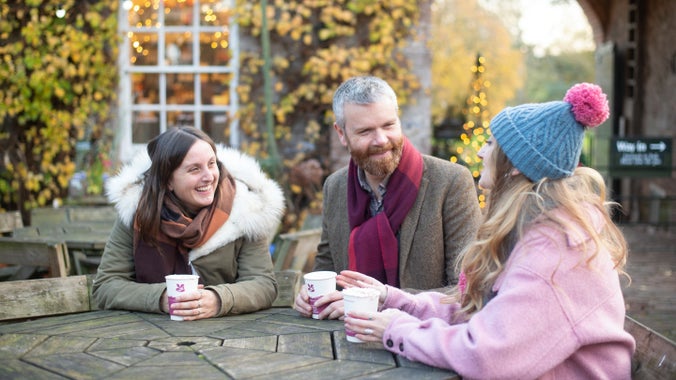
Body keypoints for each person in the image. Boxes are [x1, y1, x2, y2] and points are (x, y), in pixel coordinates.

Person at [338, 83, 636, 378]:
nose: (480, 151)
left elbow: (486, 353)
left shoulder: (553, 251)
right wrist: (395, 300)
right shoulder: (534, 228)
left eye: (491, 143)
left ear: (517, 165)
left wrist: (396, 330)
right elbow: (481, 312)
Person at [294, 76, 482, 319]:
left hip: (422, 343)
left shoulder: (451, 182)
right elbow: (328, 269)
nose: (381, 140)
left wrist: (377, 302)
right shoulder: (335, 187)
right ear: (341, 134)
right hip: (345, 341)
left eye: (389, 125)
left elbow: (465, 291)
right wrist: (311, 296)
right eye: (365, 131)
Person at [93, 127, 285, 320]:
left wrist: (218, 300)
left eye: (212, 164)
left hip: (230, 339)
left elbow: (263, 284)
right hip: (149, 338)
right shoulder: (138, 211)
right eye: (194, 169)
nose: (209, 176)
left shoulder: (245, 209)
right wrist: (160, 298)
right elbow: (106, 286)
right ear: (168, 180)